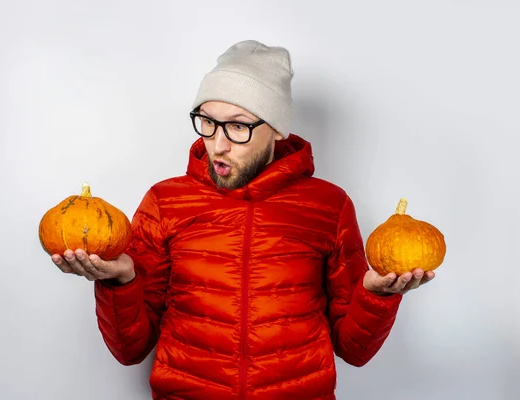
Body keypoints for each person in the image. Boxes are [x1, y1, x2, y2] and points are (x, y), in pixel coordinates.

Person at [51, 40, 435, 400]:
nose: (218, 144)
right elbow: (130, 350)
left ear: (277, 129)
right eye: (207, 121)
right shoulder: (165, 201)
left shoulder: (329, 206)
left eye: (238, 126)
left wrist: (377, 295)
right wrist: (119, 282)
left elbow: (354, 351)